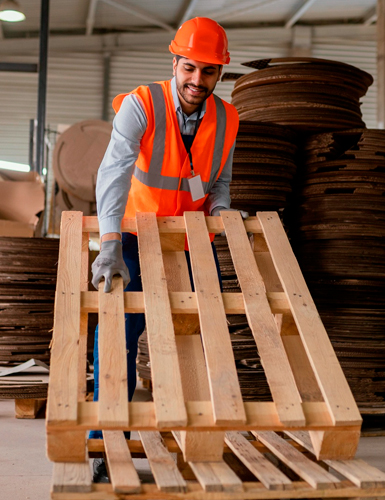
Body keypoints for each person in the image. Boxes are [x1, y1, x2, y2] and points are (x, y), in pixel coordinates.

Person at [88, 17, 239, 482]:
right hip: (134, 231)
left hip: (191, 236)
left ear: (220, 73)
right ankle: (104, 444)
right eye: (190, 68)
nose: (198, 81)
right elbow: (113, 172)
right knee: (120, 332)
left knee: (200, 332)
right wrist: (110, 241)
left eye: (209, 72)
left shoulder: (228, 117)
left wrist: (220, 207)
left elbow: (220, 180)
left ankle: (198, 439)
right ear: (174, 62)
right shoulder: (141, 105)